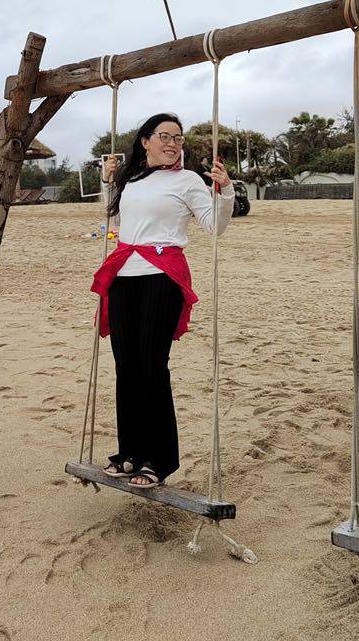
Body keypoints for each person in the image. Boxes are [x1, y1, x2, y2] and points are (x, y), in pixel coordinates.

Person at [91, 113, 234, 490]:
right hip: (123, 277)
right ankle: (130, 452)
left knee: (152, 366)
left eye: (178, 138)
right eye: (165, 137)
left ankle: (160, 459)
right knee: (127, 367)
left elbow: (214, 226)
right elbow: (117, 220)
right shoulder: (131, 179)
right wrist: (107, 181)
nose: (172, 144)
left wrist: (225, 191)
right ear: (145, 141)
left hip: (162, 276)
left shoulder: (187, 181)